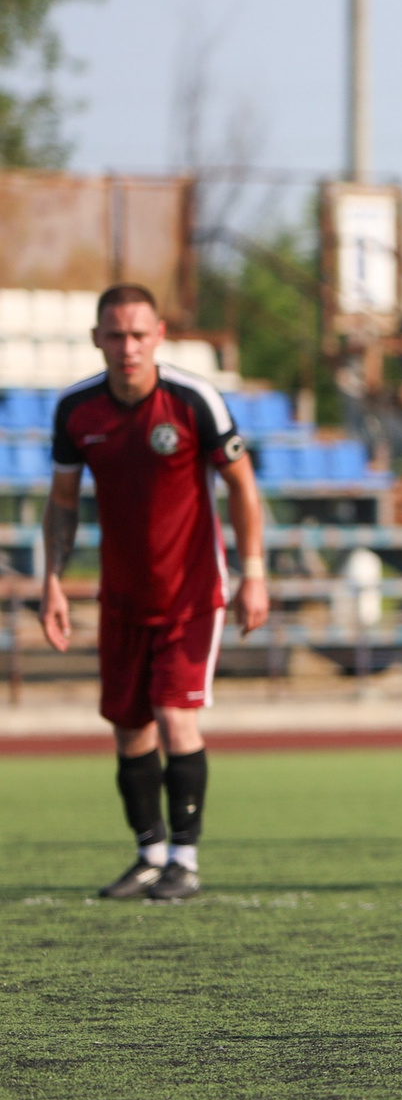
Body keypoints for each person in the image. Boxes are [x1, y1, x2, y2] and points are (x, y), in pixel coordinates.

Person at [42, 284, 268, 902]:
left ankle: (185, 862)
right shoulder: (76, 411)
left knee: (174, 718)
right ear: (96, 339)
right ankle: (149, 855)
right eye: (115, 335)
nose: (127, 347)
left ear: (160, 335)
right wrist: (53, 582)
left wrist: (254, 571)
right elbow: (62, 505)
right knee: (128, 728)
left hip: (192, 593)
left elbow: (243, 487)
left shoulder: (194, 400)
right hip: (121, 598)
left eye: (139, 335)